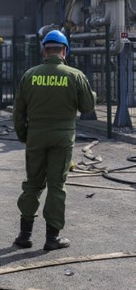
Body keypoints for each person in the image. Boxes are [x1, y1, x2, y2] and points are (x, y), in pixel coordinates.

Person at [12, 30, 96, 251]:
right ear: (64, 51)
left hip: (36, 138)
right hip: (62, 138)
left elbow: (18, 112)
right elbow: (88, 107)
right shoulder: (75, 75)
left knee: (33, 184)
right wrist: (92, 94)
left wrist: (23, 136)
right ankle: (52, 238)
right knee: (56, 186)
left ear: (44, 51)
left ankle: (24, 235)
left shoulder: (30, 75)